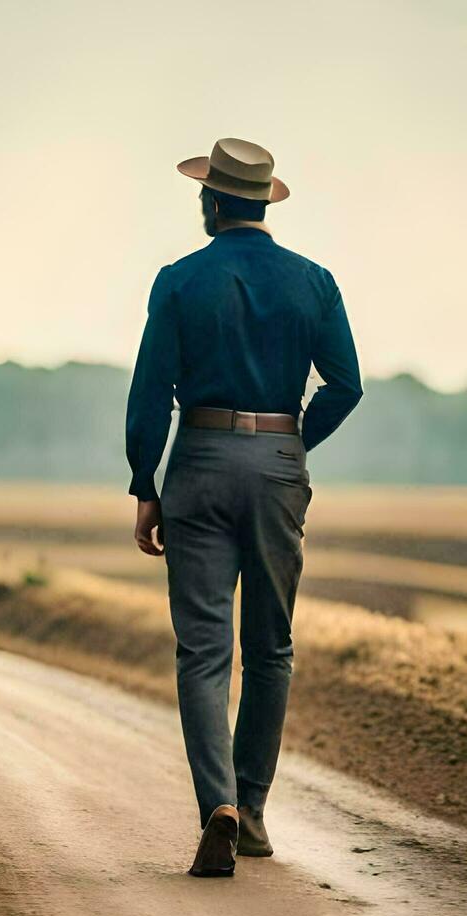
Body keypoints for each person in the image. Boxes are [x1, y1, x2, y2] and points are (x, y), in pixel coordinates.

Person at [125, 138, 362, 877]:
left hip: (197, 459)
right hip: (278, 462)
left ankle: (217, 806)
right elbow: (345, 385)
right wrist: (291, 445)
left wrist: (145, 482)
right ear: (262, 201)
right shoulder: (314, 282)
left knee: (202, 652)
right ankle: (253, 811)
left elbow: (149, 393)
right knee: (271, 649)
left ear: (214, 201)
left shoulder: (178, 280)